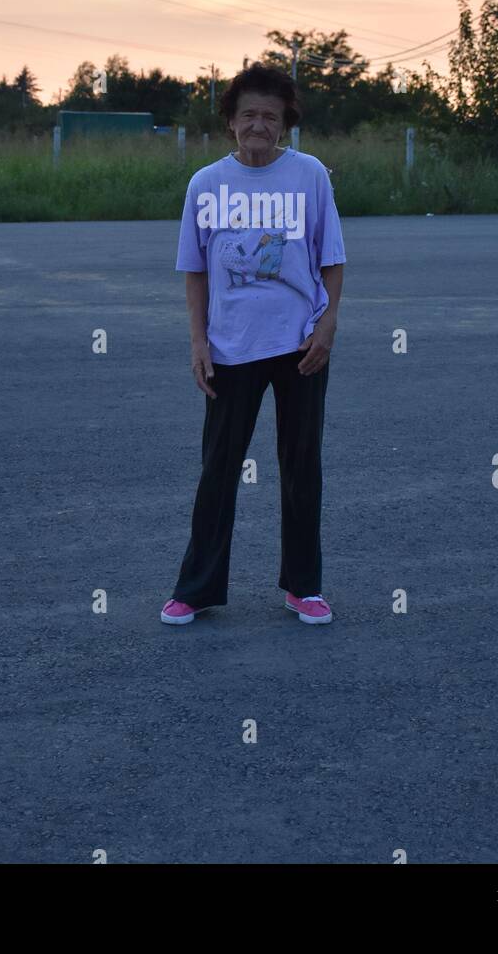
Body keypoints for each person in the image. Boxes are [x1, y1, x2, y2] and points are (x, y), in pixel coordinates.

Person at [161, 62, 346, 626]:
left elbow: (330, 258)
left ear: (285, 122)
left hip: (300, 346)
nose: (259, 124)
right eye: (248, 115)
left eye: (270, 115)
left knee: (301, 465)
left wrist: (328, 324)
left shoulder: (311, 175)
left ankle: (304, 587)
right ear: (231, 123)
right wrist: (198, 340)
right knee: (218, 468)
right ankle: (195, 589)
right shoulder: (206, 184)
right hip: (230, 346)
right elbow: (195, 271)